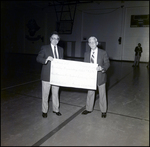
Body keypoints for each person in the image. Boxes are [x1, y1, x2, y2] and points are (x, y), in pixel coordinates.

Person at [36, 31, 64, 118]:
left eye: (57, 39)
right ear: (50, 39)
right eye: (53, 38)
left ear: (58, 40)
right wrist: (46, 59)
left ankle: (56, 109)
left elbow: (62, 62)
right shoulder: (44, 48)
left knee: (56, 94)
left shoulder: (61, 49)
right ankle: (44, 111)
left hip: (56, 76)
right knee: (45, 94)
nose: (55, 40)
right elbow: (38, 58)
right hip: (47, 75)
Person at [81, 36, 110, 118]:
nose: (92, 44)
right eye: (90, 42)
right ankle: (88, 109)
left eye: (93, 42)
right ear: (88, 44)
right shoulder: (86, 54)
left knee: (102, 94)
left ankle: (103, 111)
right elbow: (85, 65)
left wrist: (102, 68)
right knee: (90, 93)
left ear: (97, 43)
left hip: (101, 76)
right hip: (90, 77)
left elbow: (107, 64)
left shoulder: (103, 52)